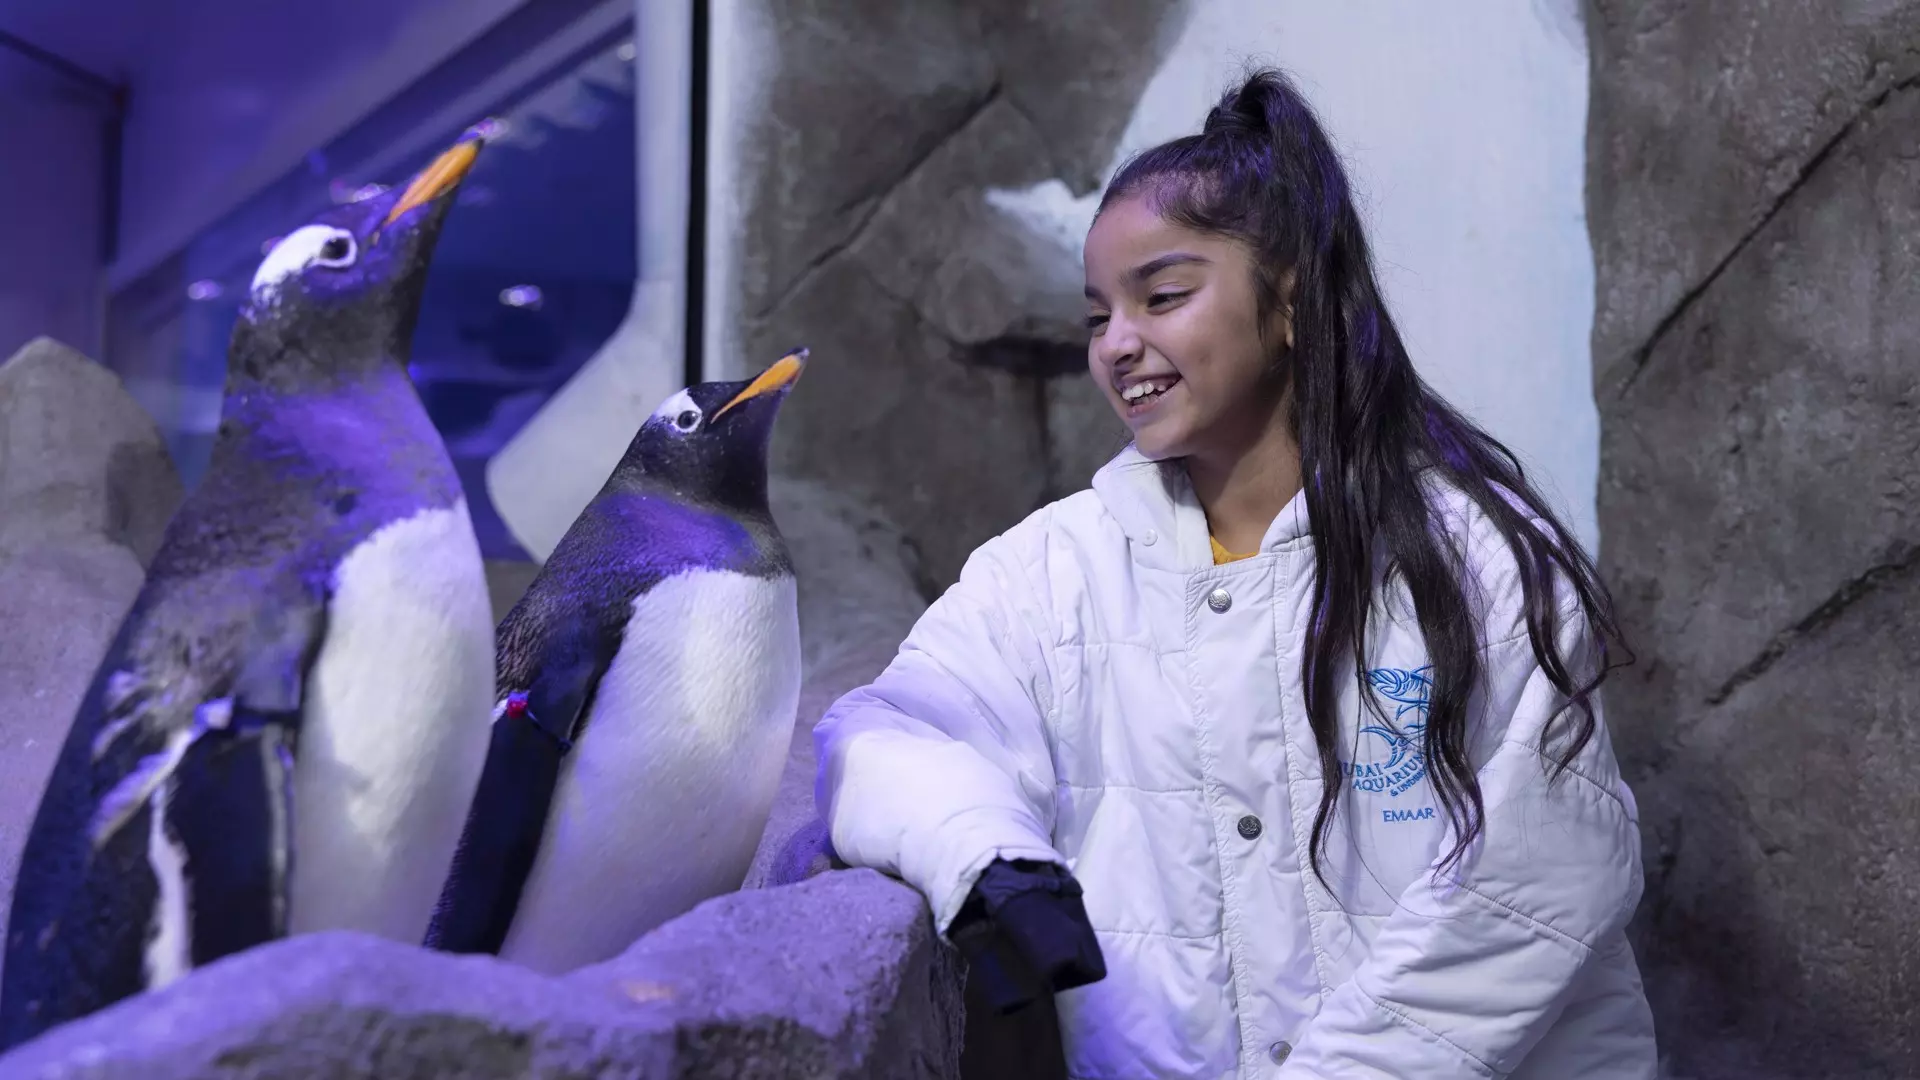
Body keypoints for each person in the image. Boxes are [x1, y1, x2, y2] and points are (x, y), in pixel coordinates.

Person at [813, 67, 1657, 1079]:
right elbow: (883, 734)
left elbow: (1544, 877)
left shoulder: (1471, 556)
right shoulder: (1056, 572)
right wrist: (991, 860)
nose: (1120, 345)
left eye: (1161, 296)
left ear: (1290, 300)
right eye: (1096, 316)